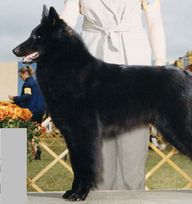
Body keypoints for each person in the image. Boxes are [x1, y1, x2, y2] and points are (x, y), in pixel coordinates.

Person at [60, 0, 166, 190]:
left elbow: (154, 20)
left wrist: (160, 64)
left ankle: (133, 193)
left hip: (134, 60)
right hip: (92, 57)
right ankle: (100, 195)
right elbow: (68, 15)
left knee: (134, 139)